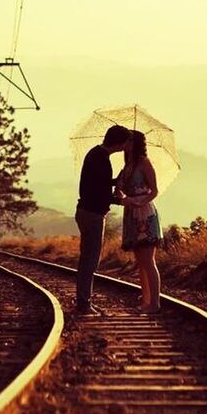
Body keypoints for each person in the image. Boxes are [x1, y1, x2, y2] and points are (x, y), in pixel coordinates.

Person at [75, 125, 131, 315]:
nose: (125, 147)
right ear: (118, 142)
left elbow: (98, 184)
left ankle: (84, 301)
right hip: (93, 214)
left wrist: (116, 181)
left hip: (85, 211)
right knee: (90, 261)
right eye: (124, 143)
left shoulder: (96, 155)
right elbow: (99, 193)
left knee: (87, 259)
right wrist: (122, 201)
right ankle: (84, 304)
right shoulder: (102, 159)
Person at [117, 131, 163, 313]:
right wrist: (121, 196)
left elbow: (154, 191)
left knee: (148, 260)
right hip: (131, 213)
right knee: (140, 261)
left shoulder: (144, 162)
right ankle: (146, 300)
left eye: (128, 140)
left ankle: (155, 303)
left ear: (134, 143)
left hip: (144, 212)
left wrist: (139, 201)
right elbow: (119, 189)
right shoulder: (127, 165)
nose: (125, 143)